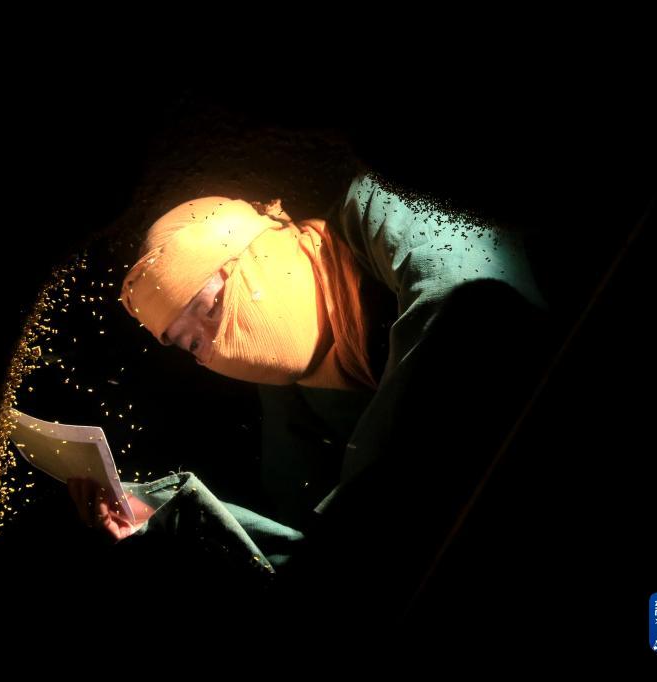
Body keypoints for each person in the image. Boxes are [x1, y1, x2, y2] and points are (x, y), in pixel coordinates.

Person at [67, 169, 555, 617]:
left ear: (263, 247)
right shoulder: (294, 407)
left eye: (212, 306)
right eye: (193, 344)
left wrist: (364, 498)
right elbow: (323, 571)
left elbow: (478, 309)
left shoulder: (382, 202)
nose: (216, 343)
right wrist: (162, 518)